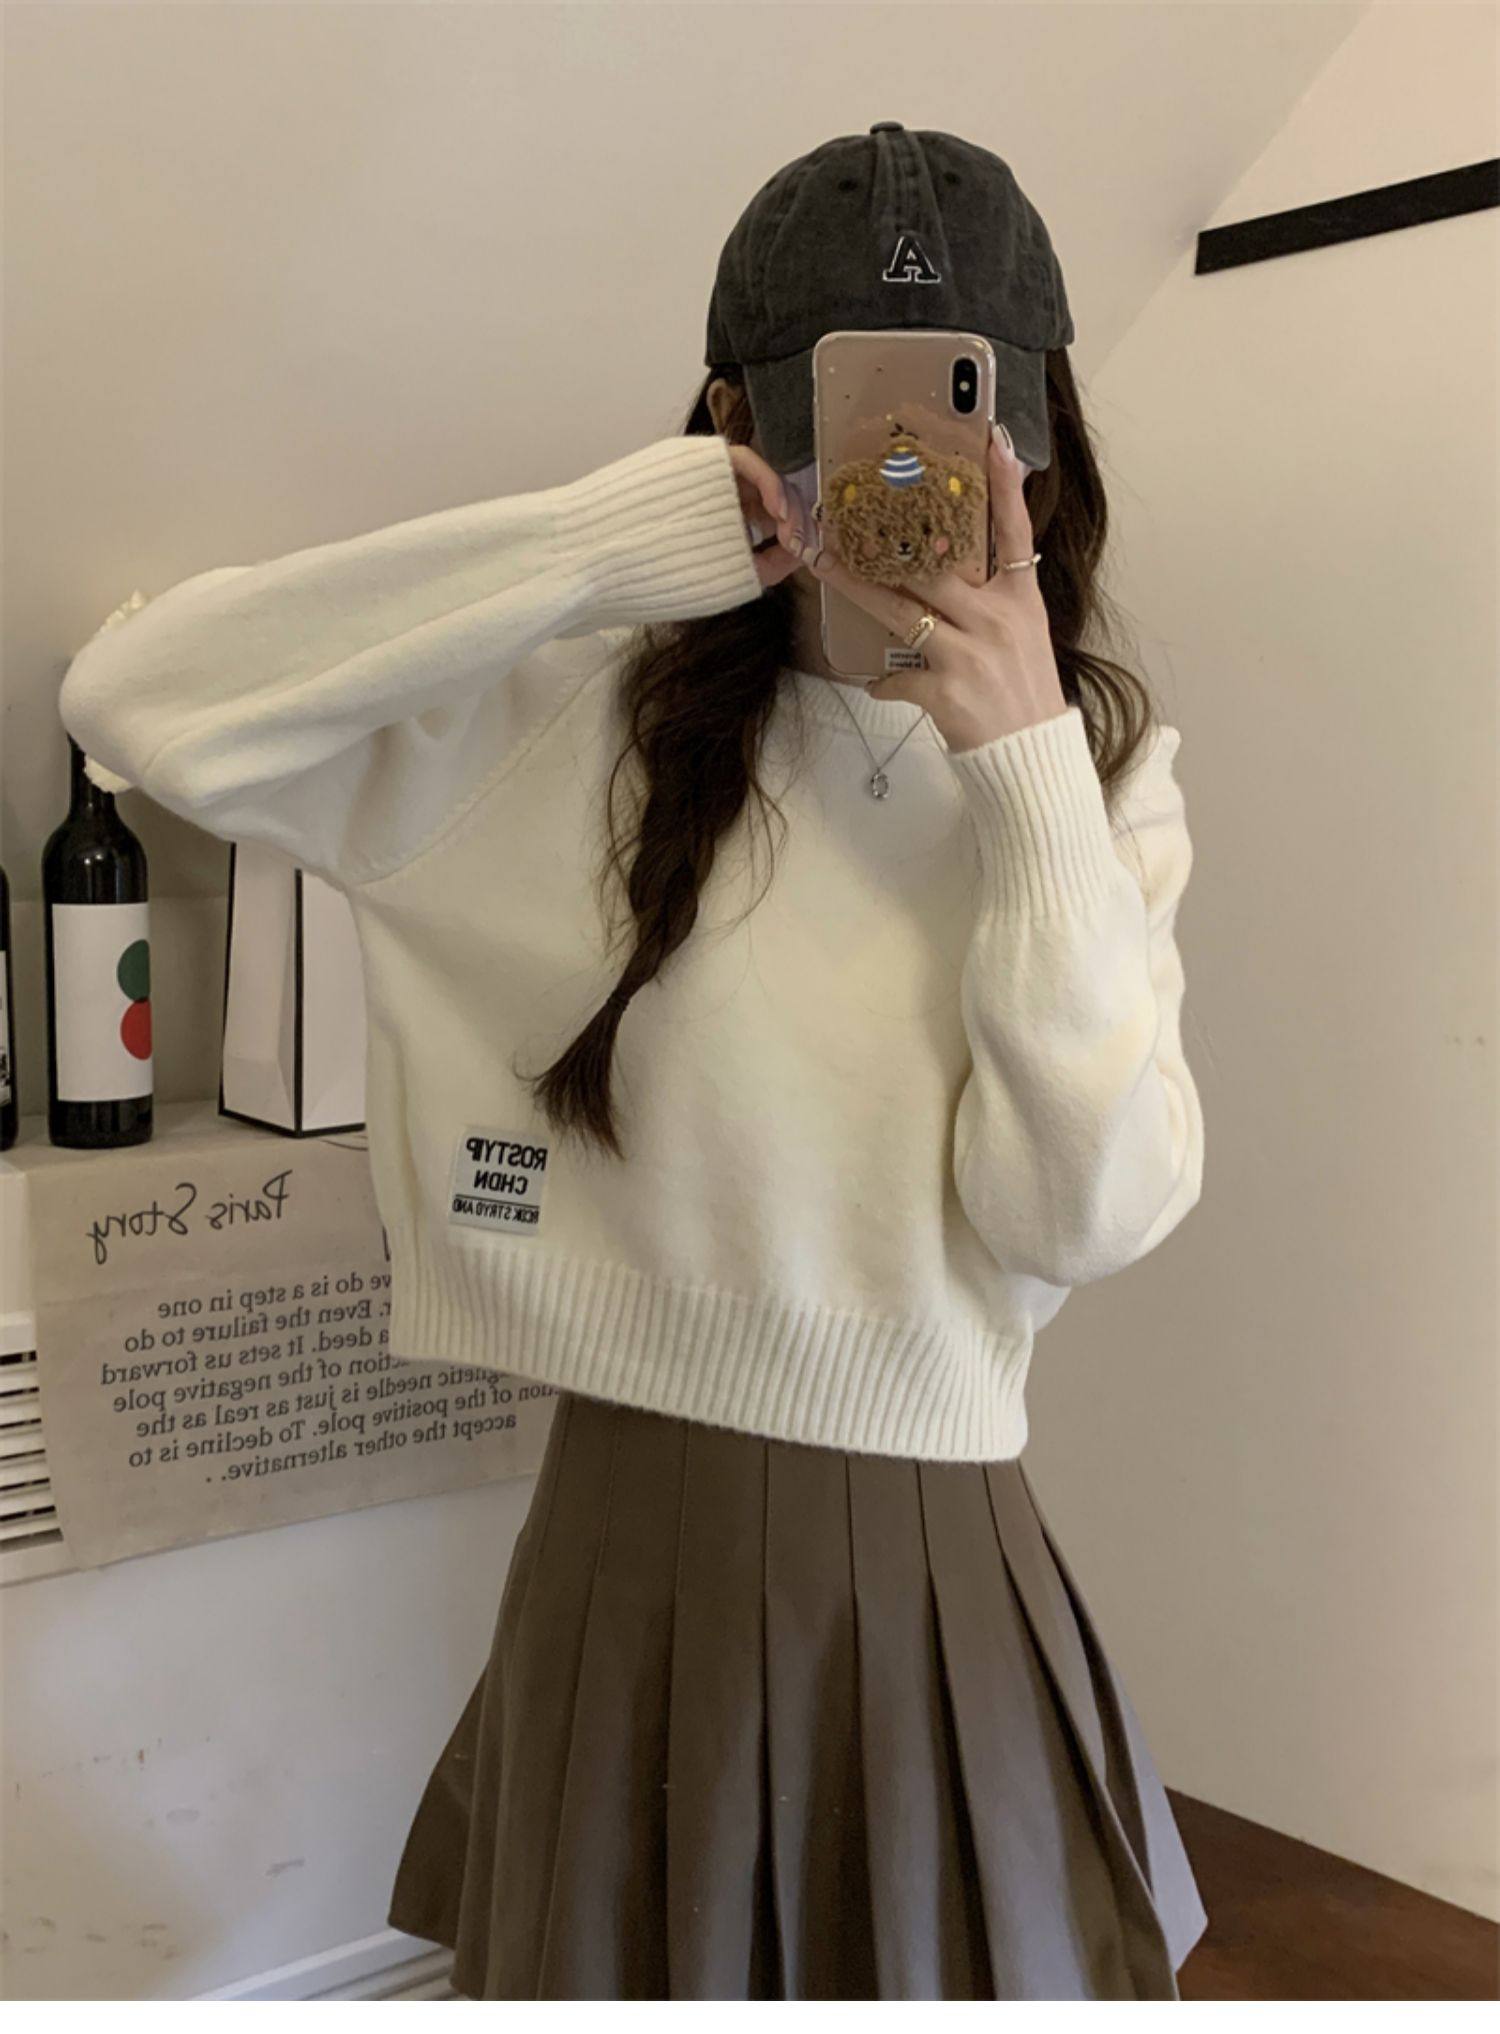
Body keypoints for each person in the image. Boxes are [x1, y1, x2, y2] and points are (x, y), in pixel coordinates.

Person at [59, 123, 1208, 2001]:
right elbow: (135, 701)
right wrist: (614, 543)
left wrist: (1019, 775)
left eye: (964, 421)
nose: (909, 480)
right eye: (846, 427)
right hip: (623, 1530)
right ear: (738, 423)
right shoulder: (563, 727)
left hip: (927, 1553)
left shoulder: (1096, 785)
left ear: (1041, 443)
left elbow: (1077, 1215)